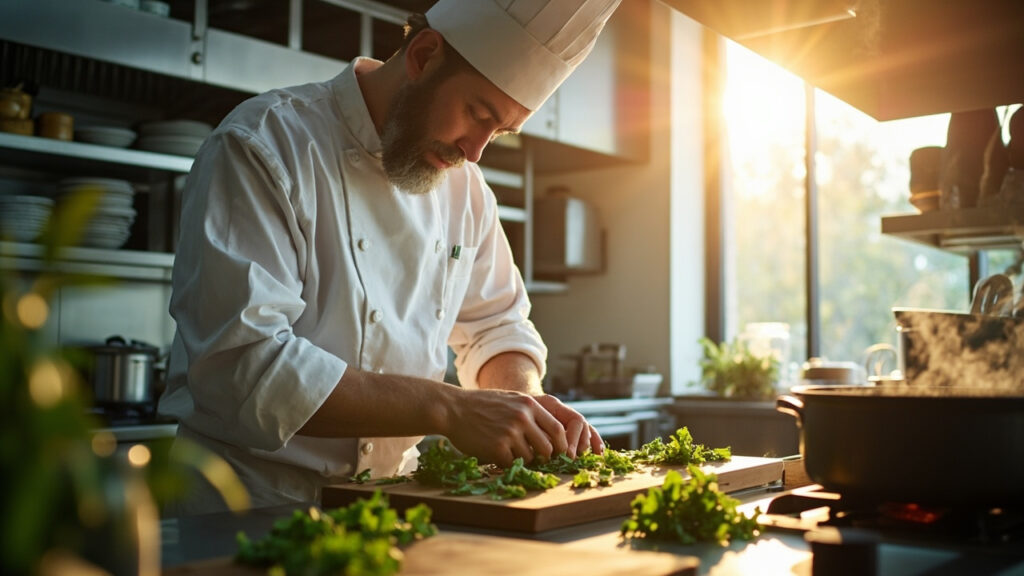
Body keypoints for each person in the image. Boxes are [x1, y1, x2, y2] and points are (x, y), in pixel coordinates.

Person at [159, 0, 622, 515]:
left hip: (389, 506)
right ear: (424, 56)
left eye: (500, 133)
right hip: (248, 505)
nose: (476, 152)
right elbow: (244, 363)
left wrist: (525, 407)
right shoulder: (264, 144)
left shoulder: (466, 190)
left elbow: (497, 327)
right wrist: (448, 408)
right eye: (479, 114)